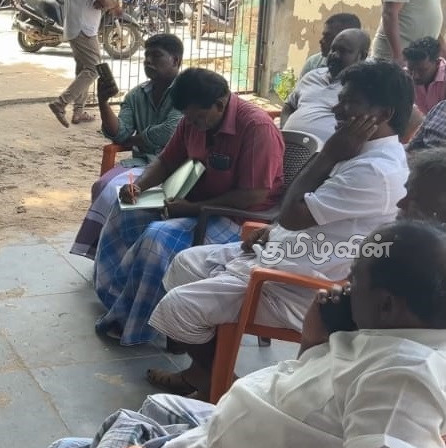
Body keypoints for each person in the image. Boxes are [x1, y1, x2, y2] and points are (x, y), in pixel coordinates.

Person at [0, 221, 446, 448]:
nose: (342, 286)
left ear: (387, 304)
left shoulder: (406, 377)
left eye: (355, 281)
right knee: (130, 425)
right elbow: (323, 404)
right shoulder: (387, 341)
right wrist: (317, 341)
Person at [147, 60, 413, 399]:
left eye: (351, 102)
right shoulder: (360, 153)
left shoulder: (374, 170)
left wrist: (327, 155)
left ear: (384, 113)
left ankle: (223, 388)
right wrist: (273, 228)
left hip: (293, 288)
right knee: (183, 264)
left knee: (177, 308)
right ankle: (205, 374)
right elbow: (304, 214)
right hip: (278, 255)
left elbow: (293, 214)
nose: (337, 109)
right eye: (340, 99)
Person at [92, 68, 284, 347]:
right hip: (192, 204)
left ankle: (138, 324)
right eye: (187, 117)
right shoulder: (192, 120)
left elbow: (253, 195)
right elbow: (166, 160)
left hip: (238, 219)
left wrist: (193, 208)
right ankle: (116, 299)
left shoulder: (256, 128)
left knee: (157, 238)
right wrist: (140, 187)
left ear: (220, 104)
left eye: (197, 117)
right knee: (124, 210)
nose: (192, 123)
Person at [70, 33, 185, 257]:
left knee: (136, 197)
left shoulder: (186, 92)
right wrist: (103, 102)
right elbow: (120, 132)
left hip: (176, 166)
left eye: (156, 56)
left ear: (175, 60)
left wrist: (134, 140)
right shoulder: (137, 95)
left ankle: (137, 252)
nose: (148, 61)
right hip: (141, 162)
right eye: (146, 56)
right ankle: (107, 253)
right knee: (103, 187)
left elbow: (169, 132)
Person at [47, 0, 121, 127]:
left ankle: (78, 112)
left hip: (80, 29)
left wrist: (107, 2)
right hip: (83, 30)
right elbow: (106, 1)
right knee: (93, 69)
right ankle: (60, 103)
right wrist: (114, 3)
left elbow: (100, 2)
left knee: (84, 70)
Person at [281, 29, 371, 142]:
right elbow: (289, 106)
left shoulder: (362, 88)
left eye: (342, 51)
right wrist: (283, 133)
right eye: (333, 49)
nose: (334, 55)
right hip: (287, 146)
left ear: (362, 56)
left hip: (328, 151)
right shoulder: (312, 76)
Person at [373, 0, 443, 64]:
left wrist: (442, 51)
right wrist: (397, 55)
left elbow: (430, 16)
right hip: (394, 59)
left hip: (416, 60)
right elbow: (389, 13)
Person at [299, 13, 363, 78]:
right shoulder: (313, 63)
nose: (321, 41)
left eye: (328, 36)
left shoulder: (365, 73)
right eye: (323, 35)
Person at [404, 36, 446, 113]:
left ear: (437, 63)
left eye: (422, 70)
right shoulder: (404, 77)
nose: (415, 76)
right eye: (411, 70)